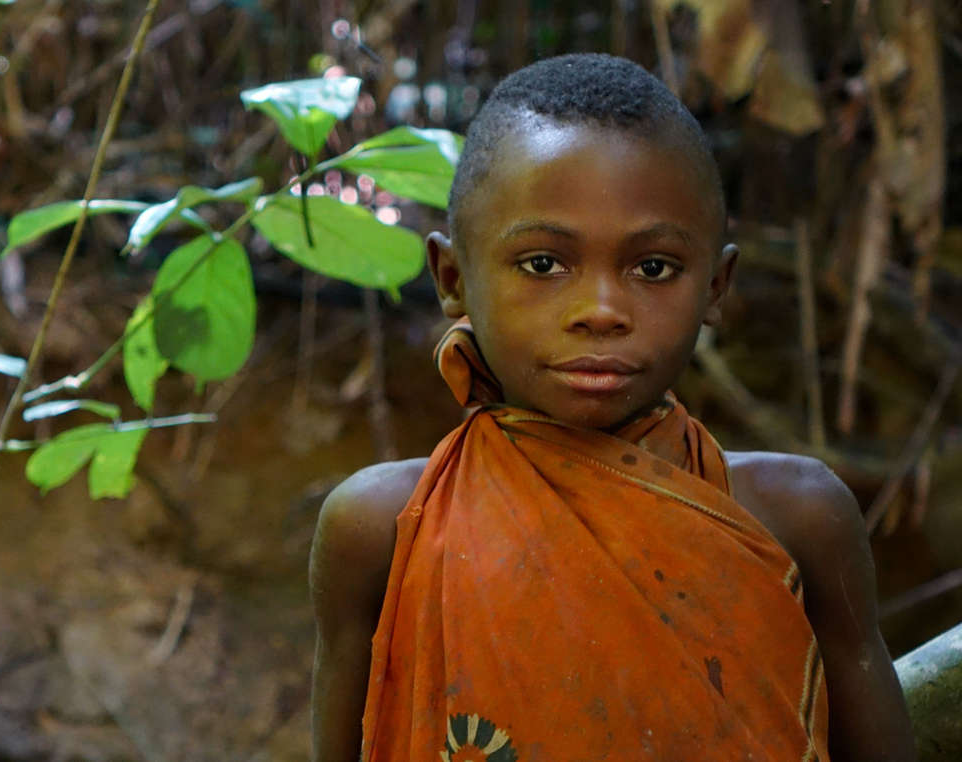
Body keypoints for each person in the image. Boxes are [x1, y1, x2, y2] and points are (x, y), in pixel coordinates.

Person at [309, 53, 916, 762]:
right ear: (453, 278)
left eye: (652, 268)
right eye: (543, 264)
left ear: (716, 287)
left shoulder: (799, 517)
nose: (600, 312)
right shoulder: (379, 532)